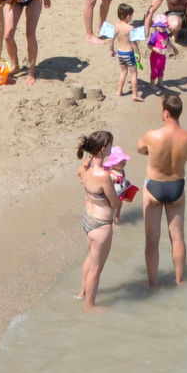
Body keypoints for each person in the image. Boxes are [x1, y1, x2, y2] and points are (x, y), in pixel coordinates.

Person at [137, 91, 187, 289]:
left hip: (154, 186)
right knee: (178, 237)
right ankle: (180, 282)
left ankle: (153, 285)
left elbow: (140, 149)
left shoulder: (152, 135)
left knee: (152, 241)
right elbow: (186, 156)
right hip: (176, 186)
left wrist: (152, 151)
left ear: (166, 113)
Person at [75, 130, 122, 307]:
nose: (112, 147)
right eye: (110, 145)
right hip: (101, 225)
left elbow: (78, 176)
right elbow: (114, 203)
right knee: (96, 268)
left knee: (90, 259)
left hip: (88, 219)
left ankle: (82, 292)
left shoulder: (86, 165)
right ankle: (89, 306)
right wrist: (120, 189)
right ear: (103, 149)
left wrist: (92, 194)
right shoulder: (104, 176)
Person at [0, 0, 52, 84]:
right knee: (8, 35)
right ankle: (15, 66)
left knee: (30, 34)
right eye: (4, 2)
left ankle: (31, 72)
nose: (5, 4)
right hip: (16, 3)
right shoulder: (1, 0)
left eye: (7, 1)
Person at [112, 3, 144, 100]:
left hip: (120, 53)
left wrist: (112, 50)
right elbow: (134, 43)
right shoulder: (131, 28)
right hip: (129, 54)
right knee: (133, 73)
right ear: (128, 16)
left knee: (123, 71)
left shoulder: (116, 26)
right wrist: (138, 54)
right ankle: (135, 95)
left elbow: (111, 40)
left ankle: (119, 91)